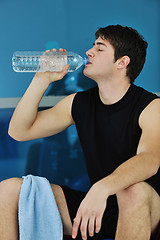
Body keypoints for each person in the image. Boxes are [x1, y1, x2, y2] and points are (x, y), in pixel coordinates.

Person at [1, 24, 159, 240]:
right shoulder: (78, 103)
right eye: (92, 46)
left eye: (100, 48)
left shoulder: (151, 106)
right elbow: (19, 131)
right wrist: (41, 80)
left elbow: (150, 159)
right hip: (97, 204)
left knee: (133, 191)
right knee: (9, 190)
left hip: (144, 205)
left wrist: (101, 188)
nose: (88, 52)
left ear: (122, 62)